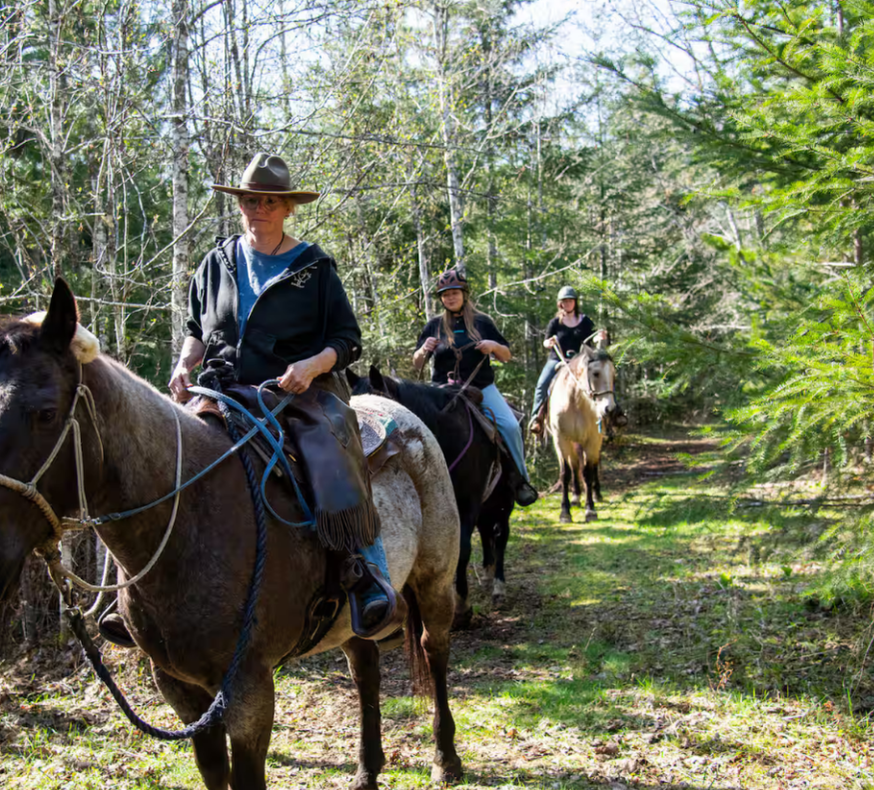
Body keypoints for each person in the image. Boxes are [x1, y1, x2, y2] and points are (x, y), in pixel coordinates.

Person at [168, 153, 397, 639]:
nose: (259, 209)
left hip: (298, 391)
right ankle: (139, 590)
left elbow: (347, 340)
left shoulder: (314, 267)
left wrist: (312, 366)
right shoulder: (216, 263)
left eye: (270, 201)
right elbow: (196, 329)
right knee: (160, 449)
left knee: (332, 451)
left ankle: (365, 571)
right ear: (240, 204)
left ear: (289, 207)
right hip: (221, 388)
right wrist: (184, 363)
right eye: (250, 201)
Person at [413, 269, 537, 507]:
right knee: (415, 428)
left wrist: (493, 346)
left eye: (454, 293)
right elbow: (417, 363)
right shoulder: (434, 326)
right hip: (442, 391)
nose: (450, 298)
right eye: (445, 294)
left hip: (480, 388)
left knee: (511, 426)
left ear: (464, 294)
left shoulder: (482, 322)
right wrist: (422, 350)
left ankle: (520, 481)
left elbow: (506, 355)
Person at [530, 285, 608, 435]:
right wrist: (549, 343)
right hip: (559, 360)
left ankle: (611, 415)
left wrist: (599, 337)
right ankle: (536, 418)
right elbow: (546, 341)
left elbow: (592, 339)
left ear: (575, 302)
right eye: (564, 301)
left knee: (602, 378)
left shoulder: (586, 321)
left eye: (570, 301)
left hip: (581, 362)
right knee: (542, 384)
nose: (567, 304)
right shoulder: (555, 323)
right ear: (560, 303)